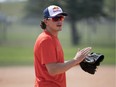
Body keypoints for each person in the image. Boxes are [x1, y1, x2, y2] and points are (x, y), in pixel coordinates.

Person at [34, 5, 92, 87]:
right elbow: (53, 69)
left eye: (61, 18)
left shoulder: (52, 38)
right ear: (46, 21)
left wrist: (78, 61)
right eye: (55, 18)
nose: (59, 21)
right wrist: (75, 60)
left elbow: (56, 64)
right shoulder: (46, 40)